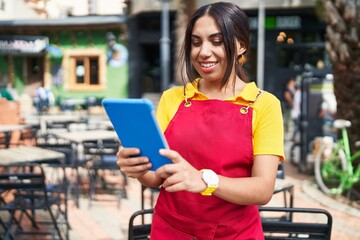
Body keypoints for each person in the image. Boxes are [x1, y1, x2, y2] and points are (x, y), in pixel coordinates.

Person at [117, 2, 284, 239]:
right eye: (196, 42)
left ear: (241, 46)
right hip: (171, 230)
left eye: (216, 41)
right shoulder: (173, 98)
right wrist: (136, 168)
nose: (203, 52)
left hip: (235, 234)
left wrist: (206, 180)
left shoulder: (264, 105)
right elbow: (156, 177)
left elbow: (263, 189)